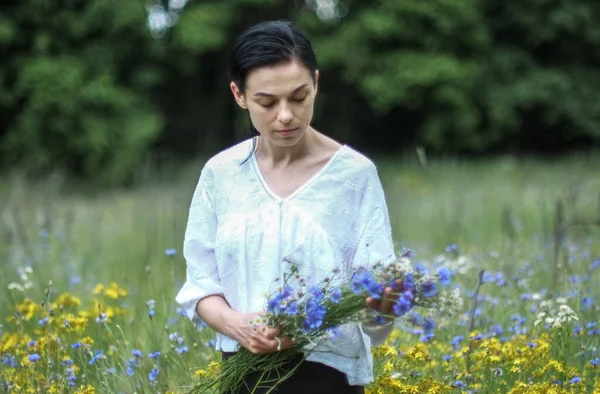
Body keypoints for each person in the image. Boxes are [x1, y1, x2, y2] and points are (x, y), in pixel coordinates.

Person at [175, 20, 400, 394]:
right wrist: (235, 324)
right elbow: (201, 285)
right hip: (243, 375)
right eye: (267, 102)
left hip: (329, 378)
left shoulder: (355, 176)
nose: (285, 115)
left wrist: (386, 302)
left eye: (298, 97)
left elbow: (376, 303)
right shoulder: (221, 174)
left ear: (316, 83)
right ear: (239, 94)